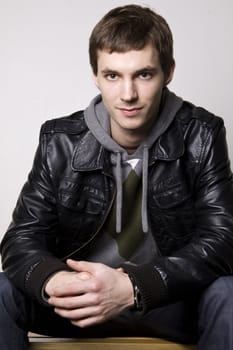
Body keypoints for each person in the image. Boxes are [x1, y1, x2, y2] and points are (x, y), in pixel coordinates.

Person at [1, 4, 233, 350]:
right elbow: (21, 239)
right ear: (95, 75)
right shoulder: (60, 140)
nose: (128, 95)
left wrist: (136, 286)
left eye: (143, 74)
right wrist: (54, 279)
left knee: (228, 292)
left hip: (166, 301)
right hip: (79, 301)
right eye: (112, 76)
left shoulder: (201, 134)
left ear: (168, 72)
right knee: (2, 289)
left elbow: (222, 241)